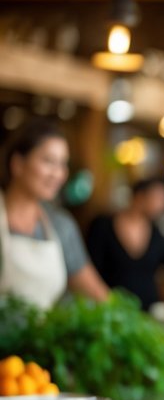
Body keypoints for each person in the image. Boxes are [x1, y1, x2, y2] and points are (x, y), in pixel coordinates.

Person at [0, 119, 109, 309]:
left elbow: (95, 292)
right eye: (48, 161)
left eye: (62, 164)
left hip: (43, 338)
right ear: (17, 164)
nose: (57, 174)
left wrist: (131, 318)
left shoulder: (61, 225)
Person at [86, 177, 164, 310]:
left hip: (149, 312)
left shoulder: (158, 235)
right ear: (140, 196)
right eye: (158, 198)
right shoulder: (103, 226)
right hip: (109, 309)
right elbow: (89, 269)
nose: (163, 205)